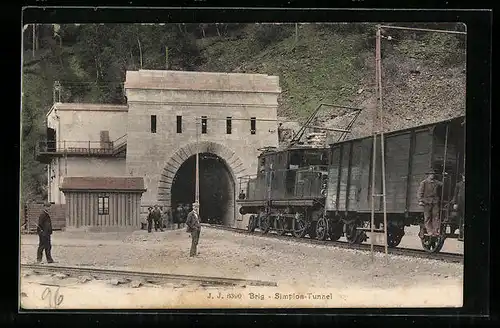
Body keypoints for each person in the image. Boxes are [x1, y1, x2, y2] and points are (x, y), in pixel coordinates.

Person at [417, 169, 444, 237]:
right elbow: (420, 192)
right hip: (427, 202)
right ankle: (429, 231)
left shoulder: (436, 182)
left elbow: (442, 184)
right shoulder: (424, 183)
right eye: (431, 174)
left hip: (435, 201)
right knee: (427, 217)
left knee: (436, 217)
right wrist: (420, 200)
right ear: (428, 175)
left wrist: (444, 176)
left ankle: (435, 231)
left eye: (433, 174)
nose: (432, 175)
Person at [452, 174, 465, 241]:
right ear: (462, 176)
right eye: (464, 176)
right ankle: (461, 234)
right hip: (460, 204)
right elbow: (455, 195)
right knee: (461, 219)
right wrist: (455, 203)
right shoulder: (458, 185)